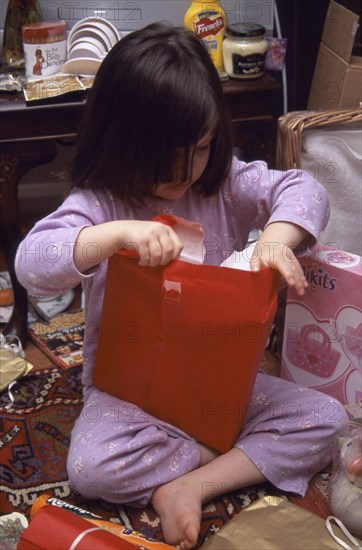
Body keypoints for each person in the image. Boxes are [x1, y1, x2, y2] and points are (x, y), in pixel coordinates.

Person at [15, 23, 347, 549]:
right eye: (162, 154)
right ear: (117, 140)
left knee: (327, 420)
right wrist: (116, 235)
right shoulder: (102, 202)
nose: (182, 171)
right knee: (92, 469)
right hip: (131, 392)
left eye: (198, 149)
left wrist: (275, 240)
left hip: (222, 386)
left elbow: (302, 187)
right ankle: (219, 451)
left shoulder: (223, 185)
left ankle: (192, 484)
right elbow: (32, 264)